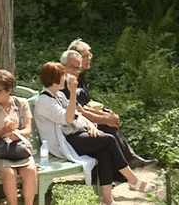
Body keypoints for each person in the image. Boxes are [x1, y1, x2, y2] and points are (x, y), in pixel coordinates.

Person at [34, 62, 155, 205]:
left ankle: (108, 201)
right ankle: (133, 180)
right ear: (54, 79)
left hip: (73, 136)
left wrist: (90, 124)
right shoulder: (44, 102)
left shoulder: (58, 95)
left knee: (104, 154)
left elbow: (78, 114)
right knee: (109, 140)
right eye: (63, 75)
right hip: (62, 143)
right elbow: (68, 118)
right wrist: (73, 93)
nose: (66, 78)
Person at [62, 39, 158, 169]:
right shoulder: (67, 81)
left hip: (82, 120)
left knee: (111, 124)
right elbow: (79, 111)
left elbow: (85, 105)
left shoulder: (80, 77)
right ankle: (126, 164)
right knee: (108, 130)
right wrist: (105, 119)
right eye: (85, 56)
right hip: (73, 128)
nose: (89, 58)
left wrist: (106, 114)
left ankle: (129, 161)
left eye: (89, 55)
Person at [0, 70, 38, 205]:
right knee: (8, 173)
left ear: (9, 90)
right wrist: (4, 131)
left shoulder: (21, 103)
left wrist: (17, 134)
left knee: (30, 169)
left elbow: (28, 130)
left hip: (19, 149)